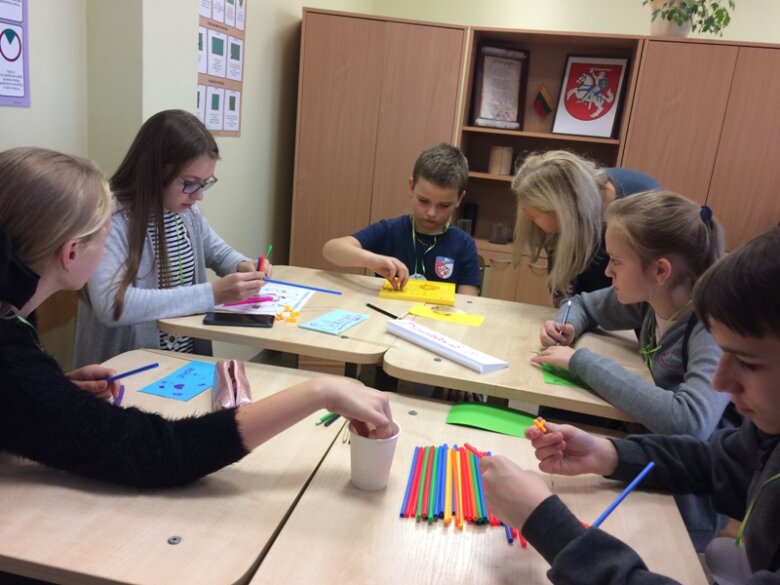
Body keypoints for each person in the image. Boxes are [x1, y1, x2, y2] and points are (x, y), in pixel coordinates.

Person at [0, 146, 394, 491]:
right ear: (72, 253)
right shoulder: (10, 359)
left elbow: (20, 402)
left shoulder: (13, 321)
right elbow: (164, 454)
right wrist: (319, 391)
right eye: (103, 237)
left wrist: (54, 394)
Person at [479, 225, 780, 584]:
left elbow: (692, 422)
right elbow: (716, 461)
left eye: (748, 363)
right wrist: (609, 454)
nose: (721, 383)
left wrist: (547, 524)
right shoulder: (769, 434)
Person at [533, 191, 738, 549]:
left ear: (660, 271)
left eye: (616, 261)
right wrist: (566, 325)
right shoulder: (653, 299)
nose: (607, 271)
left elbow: (690, 422)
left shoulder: (709, 327)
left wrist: (582, 362)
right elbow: (580, 303)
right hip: (647, 455)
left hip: (689, 501)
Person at [75, 109, 265, 367]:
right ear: (155, 171)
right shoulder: (110, 219)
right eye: (190, 183)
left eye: (205, 183)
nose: (198, 195)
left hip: (182, 361)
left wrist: (242, 265)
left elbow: (218, 252)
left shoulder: (186, 213)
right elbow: (112, 305)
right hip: (128, 369)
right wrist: (211, 294)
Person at [322, 143, 481, 296]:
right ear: (411, 186)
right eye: (423, 201)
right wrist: (371, 260)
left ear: (459, 199)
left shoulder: (464, 245)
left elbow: (468, 303)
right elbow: (331, 249)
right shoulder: (390, 231)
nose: (432, 213)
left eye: (444, 205)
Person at [511, 150, 659, 303]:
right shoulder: (570, 201)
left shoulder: (638, 211)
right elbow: (562, 287)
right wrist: (567, 308)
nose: (527, 218)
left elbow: (634, 298)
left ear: (563, 213)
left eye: (534, 215)